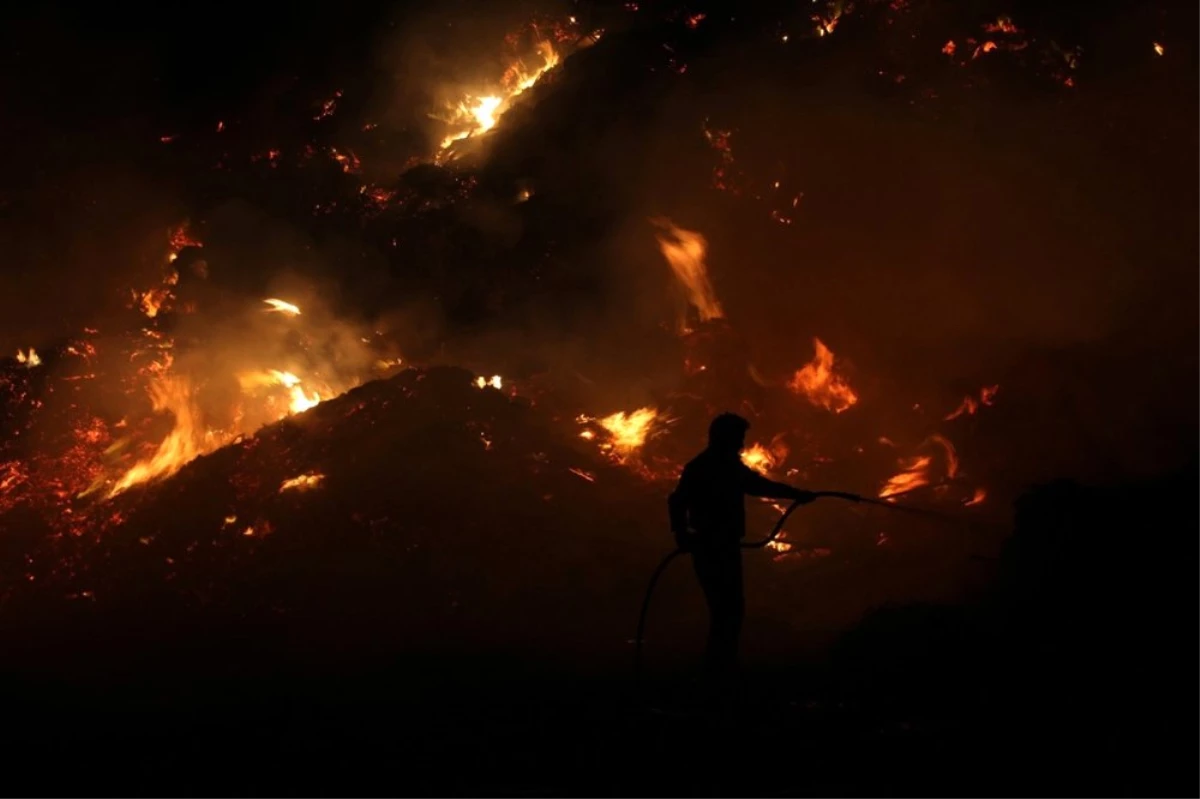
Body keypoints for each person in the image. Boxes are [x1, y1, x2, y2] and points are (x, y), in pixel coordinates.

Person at [668, 413, 815, 681]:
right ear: (725, 438)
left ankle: (719, 667)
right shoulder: (718, 467)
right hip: (716, 548)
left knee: (726, 609)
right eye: (738, 438)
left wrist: (796, 494)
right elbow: (757, 486)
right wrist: (681, 533)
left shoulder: (706, 465)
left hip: (716, 546)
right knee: (728, 609)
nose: (741, 444)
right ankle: (719, 671)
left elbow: (678, 501)